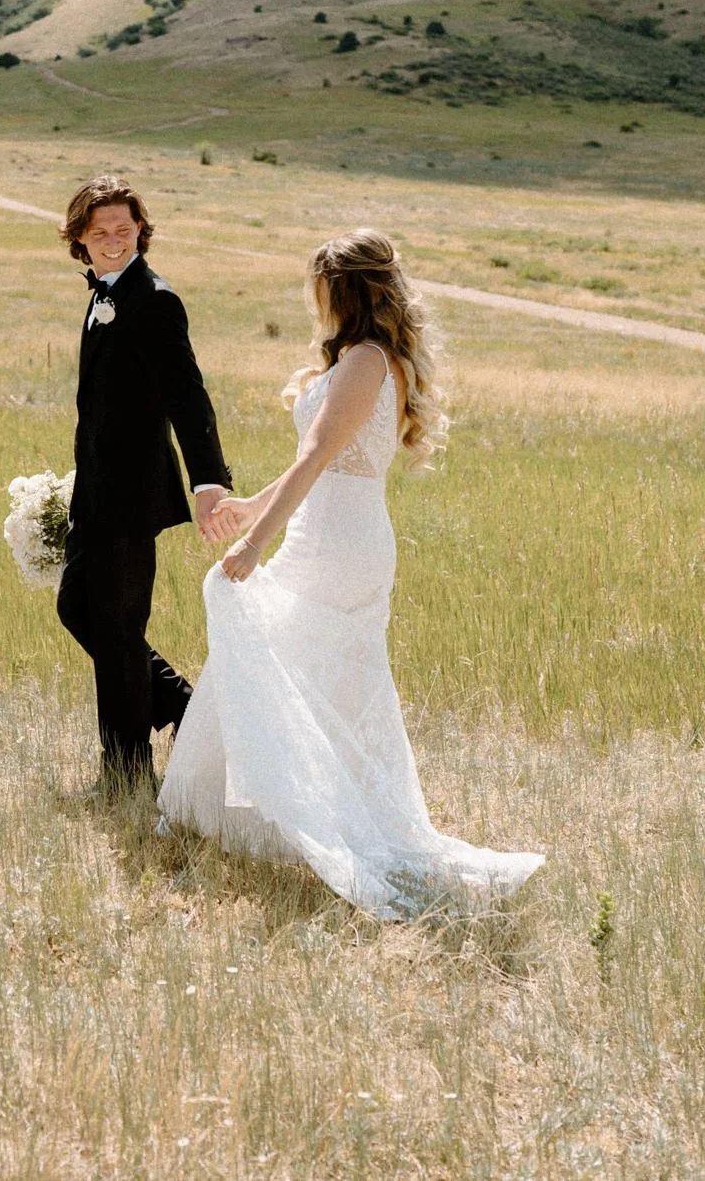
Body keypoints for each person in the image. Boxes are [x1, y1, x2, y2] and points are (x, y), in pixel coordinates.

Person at [160, 229, 543, 918]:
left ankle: (289, 818)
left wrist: (253, 545)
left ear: (342, 291)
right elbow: (324, 457)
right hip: (343, 529)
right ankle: (279, 813)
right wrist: (250, 508)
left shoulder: (366, 361)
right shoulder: (372, 360)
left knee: (265, 644)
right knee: (311, 671)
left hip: (335, 539)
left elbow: (315, 458)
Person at [55, 174, 233, 791]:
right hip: (96, 490)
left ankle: (128, 775)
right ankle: (184, 707)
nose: (112, 240)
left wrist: (209, 480)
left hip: (132, 496)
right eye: (100, 231)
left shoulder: (155, 299)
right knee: (78, 608)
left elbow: (188, 397)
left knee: (118, 628)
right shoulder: (103, 293)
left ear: (140, 231)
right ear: (81, 237)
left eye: (123, 230)